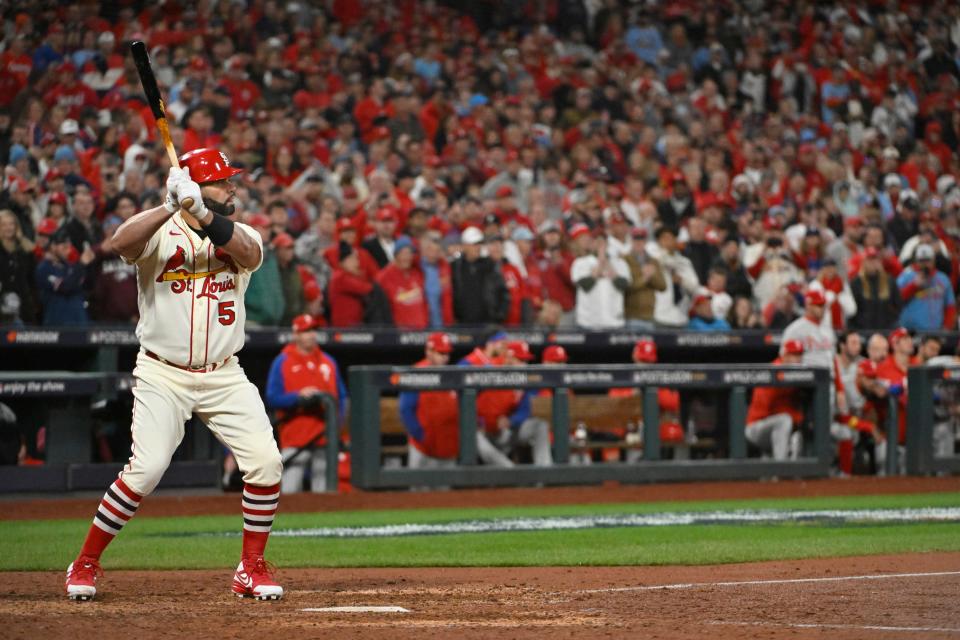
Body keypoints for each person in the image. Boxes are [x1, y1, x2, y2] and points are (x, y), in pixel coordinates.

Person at [65, 149, 285, 602]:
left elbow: (246, 253)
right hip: (163, 373)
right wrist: (169, 206)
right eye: (221, 182)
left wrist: (203, 211)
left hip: (224, 373)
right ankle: (85, 562)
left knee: (266, 462)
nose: (232, 188)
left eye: (230, 181)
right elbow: (120, 244)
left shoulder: (242, 233)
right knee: (145, 470)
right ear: (195, 184)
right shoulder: (161, 232)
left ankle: (250, 567)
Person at [266, 314, 346, 494]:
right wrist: (297, 397)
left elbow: (340, 398)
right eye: (305, 331)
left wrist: (336, 427)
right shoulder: (282, 361)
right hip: (295, 435)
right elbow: (272, 397)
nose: (310, 335)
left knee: (325, 493)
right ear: (295, 335)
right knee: (289, 492)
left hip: (324, 436)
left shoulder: (329, 362)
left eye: (313, 330)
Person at [474, 340, 553, 467]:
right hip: (483, 430)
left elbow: (527, 408)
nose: (524, 365)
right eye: (520, 360)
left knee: (540, 425)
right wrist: (478, 421)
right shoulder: (489, 370)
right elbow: (468, 399)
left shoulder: (527, 377)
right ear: (509, 358)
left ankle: (545, 472)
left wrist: (512, 420)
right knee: (472, 437)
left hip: (507, 431)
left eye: (525, 360)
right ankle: (511, 471)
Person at [399, 332, 460, 469]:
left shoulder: (453, 375)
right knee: (419, 489)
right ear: (429, 352)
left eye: (447, 353)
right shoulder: (415, 373)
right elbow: (406, 410)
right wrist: (421, 437)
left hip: (447, 448)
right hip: (423, 448)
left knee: (444, 490)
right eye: (441, 353)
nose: (445, 358)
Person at [745, 339, 806, 460]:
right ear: (784, 356)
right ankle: (781, 468)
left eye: (800, 355)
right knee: (784, 421)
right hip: (757, 427)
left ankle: (784, 471)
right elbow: (765, 410)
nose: (798, 359)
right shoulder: (772, 372)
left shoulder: (799, 375)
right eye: (794, 355)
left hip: (777, 428)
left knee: (796, 430)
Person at [570, 233, 630, 329]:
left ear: (608, 245)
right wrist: (599, 267)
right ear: (591, 244)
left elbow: (623, 285)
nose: (600, 246)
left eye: (603, 243)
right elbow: (585, 285)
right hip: (588, 321)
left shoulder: (620, 263)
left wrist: (607, 265)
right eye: (597, 242)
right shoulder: (580, 262)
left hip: (614, 321)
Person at [450, 226, 509, 325]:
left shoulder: (489, 265)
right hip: (463, 324)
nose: (478, 247)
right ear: (465, 246)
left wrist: (499, 316)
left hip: (487, 324)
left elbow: (503, 293)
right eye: (474, 244)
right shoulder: (456, 267)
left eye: (479, 244)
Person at [36, 227, 94, 325]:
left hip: (80, 324)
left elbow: (88, 287)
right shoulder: (44, 268)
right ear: (53, 246)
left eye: (68, 247)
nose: (67, 251)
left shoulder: (71, 267)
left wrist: (89, 264)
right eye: (64, 247)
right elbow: (65, 287)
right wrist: (82, 264)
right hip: (57, 327)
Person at [897, 244, 955, 331]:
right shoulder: (906, 276)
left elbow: (950, 305)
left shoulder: (943, 279)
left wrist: (947, 327)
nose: (925, 264)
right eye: (921, 260)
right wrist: (913, 286)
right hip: (910, 331)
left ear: (933, 260)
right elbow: (896, 301)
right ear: (916, 261)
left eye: (928, 260)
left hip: (935, 331)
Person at [376, 235, 428, 328]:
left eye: (410, 253)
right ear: (396, 254)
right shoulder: (383, 277)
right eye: (404, 253)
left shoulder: (417, 274)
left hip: (421, 331)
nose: (407, 257)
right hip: (399, 334)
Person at [622, 227, 666, 330]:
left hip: (649, 316)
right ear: (631, 241)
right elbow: (625, 287)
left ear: (645, 241)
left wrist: (652, 276)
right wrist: (645, 278)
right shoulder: (625, 260)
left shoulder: (653, 261)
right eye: (636, 239)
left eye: (641, 239)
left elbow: (663, 286)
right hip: (631, 316)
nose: (639, 242)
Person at [850, 247, 901, 330]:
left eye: (875, 259)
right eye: (869, 260)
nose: (872, 263)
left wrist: (891, 323)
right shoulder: (856, 282)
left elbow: (898, 305)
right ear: (863, 262)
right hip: (863, 330)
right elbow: (852, 310)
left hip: (885, 330)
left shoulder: (889, 281)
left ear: (879, 261)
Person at [327, 241, 374, 327]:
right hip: (344, 328)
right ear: (344, 261)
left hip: (354, 326)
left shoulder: (347, 275)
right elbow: (366, 288)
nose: (357, 263)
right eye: (353, 259)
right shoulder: (340, 277)